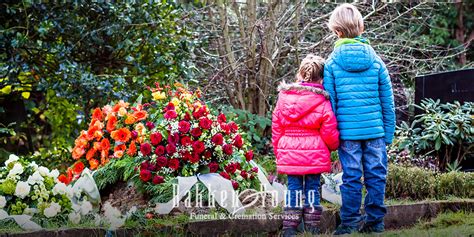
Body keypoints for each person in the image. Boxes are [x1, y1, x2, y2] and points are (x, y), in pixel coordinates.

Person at [323, 3, 396, 235]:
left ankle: (349, 223)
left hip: (348, 134)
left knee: (351, 177)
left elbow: (330, 104)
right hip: (375, 132)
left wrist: (332, 136)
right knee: (376, 175)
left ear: (338, 32)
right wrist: (389, 132)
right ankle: (375, 221)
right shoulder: (376, 61)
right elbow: (388, 100)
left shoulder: (332, 63)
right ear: (361, 29)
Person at [272, 54, 339, 236]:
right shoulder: (323, 101)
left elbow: (277, 126)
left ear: (300, 74)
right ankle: (312, 227)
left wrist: (278, 150)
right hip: (314, 152)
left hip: (290, 151)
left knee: (293, 188)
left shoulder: (284, 97)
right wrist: (333, 146)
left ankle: (289, 228)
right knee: (312, 188)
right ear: (322, 78)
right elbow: (329, 130)